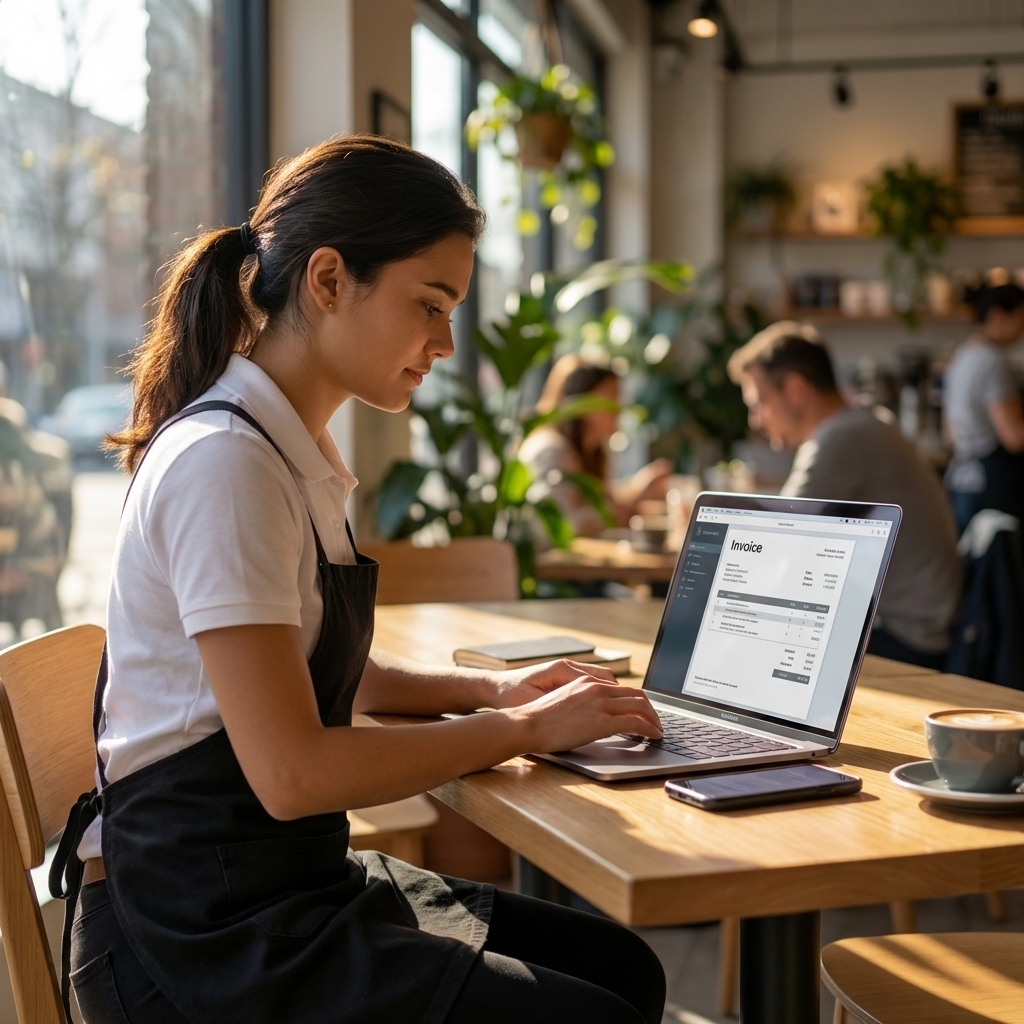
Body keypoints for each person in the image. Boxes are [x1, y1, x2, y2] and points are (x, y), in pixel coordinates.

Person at [53, 137, 666, 1024]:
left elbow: (328, 681)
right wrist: (519, 726)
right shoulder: (227, 462)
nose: (445, 343)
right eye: (429, 304)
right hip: (191, 939)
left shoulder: (290, 450)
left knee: (620, 969)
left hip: (275, 888)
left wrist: (493, 688)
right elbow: (294, 771)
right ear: (329, 280)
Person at [727, 321, 961, 671]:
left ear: (795, 389)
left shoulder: (839, 439)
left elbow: (779, 542)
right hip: (922, 623)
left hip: (906, 637)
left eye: (759, 403)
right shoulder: (865, 423)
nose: (756, 420)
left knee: (745, 651)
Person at [518, 355, 672, 536]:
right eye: (610, 399)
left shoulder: (594, 451)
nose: (618, 410)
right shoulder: (551, 450)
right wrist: (633, 501)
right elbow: (559, 525)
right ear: (583, 402)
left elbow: (603, 502)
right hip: (546, 562)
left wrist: (641, 488)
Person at [943, 283, 1024, 534]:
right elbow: (1014, 437)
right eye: (1021, 318)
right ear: (998, 314)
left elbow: (950, 433)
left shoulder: (961, 357)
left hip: (962, 478)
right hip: (993, 484)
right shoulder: (992, 362)